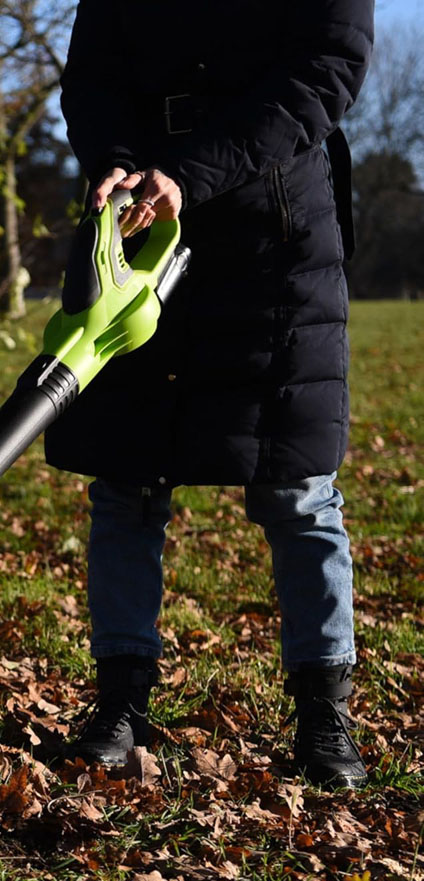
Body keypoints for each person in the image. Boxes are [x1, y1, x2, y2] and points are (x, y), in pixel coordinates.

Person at [45, 0, 375, 788]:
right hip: (136, 232)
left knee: (296, 487)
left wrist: (192, 173)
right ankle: (120, 702)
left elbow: (326, 69)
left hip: (277, 233)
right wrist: (118, 160)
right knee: (125, 481)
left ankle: (322, 710)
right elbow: (93, 73)